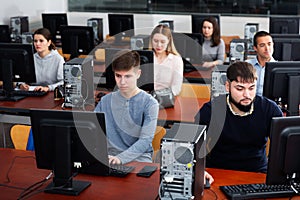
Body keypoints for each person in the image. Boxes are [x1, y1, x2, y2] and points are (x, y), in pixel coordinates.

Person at [195, 61, 283, 173]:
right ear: (228, 86)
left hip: (257, 172)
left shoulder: (269, 109)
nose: (247, 95)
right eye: (240, 89)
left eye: (251, 88)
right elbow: (191, 144)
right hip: (218, 171)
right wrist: (199, 171)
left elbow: (282, 147)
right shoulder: (211, 110)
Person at [94, 49, 159, 165]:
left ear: (138, 74)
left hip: (139, 159)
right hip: (109, 158)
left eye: (127, 76)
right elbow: (93, 131)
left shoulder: (150, 104)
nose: (122, 82)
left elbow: (145, 141)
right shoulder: (105, 101)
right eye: (118, 76)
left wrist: (120, 158)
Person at [18, 28, 64, 92]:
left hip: (50, 93)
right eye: (35, 41)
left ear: (49, 42)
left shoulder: (58, 59)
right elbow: (21, 77)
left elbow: (63, 82)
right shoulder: (30, 58)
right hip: (32, 92)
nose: (37, 44)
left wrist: (48, 88)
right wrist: (21, 84)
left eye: (41, 41)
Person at [149, 24, 183, 96]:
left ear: (168, 41)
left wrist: (158, 95)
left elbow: (176, 88)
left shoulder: (176, 60)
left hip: (165, 98)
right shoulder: (146, 58)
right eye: (155, 41)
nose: (158, 45)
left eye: (162, 42)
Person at [246, 31, 276, 96]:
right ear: (255, 48)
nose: (267, 48)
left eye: (269, 44)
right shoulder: (246, 65)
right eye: (262, 45)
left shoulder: (278, 68)